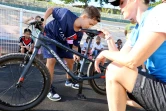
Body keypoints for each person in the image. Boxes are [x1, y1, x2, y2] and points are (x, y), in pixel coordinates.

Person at [95, 1, 166, 111]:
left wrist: (103, 53)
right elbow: (120, 59)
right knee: (116, 89)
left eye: (121, 2)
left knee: (114, 71)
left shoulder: (160, 12)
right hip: (159, 85)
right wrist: (108, 38)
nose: (119, 7)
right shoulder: (137, 29)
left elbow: (132, 61)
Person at [43, 6, 100, 101]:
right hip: (49, 35)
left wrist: (75, 54)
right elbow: (51, 9)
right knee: (51, 60)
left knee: (70, 59)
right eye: (90, 24)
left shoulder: (80, 32)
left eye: (92, 26)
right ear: (84, 17)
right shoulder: (65, 14)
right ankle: (48, 88)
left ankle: (69, 80)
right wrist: (44, 20)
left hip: (61, 41)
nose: (90, 27)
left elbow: (75, 46)